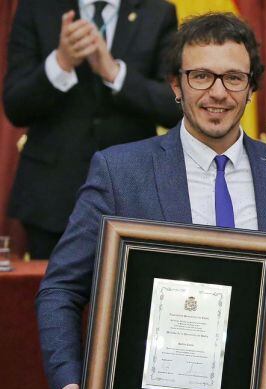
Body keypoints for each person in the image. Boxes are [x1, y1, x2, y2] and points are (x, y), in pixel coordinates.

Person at [35, 13, 266, 389]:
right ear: (176, 84)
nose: (217, 92)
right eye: (201, 75)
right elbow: (61, 288)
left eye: (233, 77)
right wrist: (70, 380)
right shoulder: (119, 171)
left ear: (251, 88)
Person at [3, 0, 182, 259]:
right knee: (55, 294)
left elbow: (174, 106)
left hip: (133, 195)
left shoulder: (158, 12)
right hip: (50, 198)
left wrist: (115, 73)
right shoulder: (37, 7)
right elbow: (15, 106)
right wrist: (61, 63)